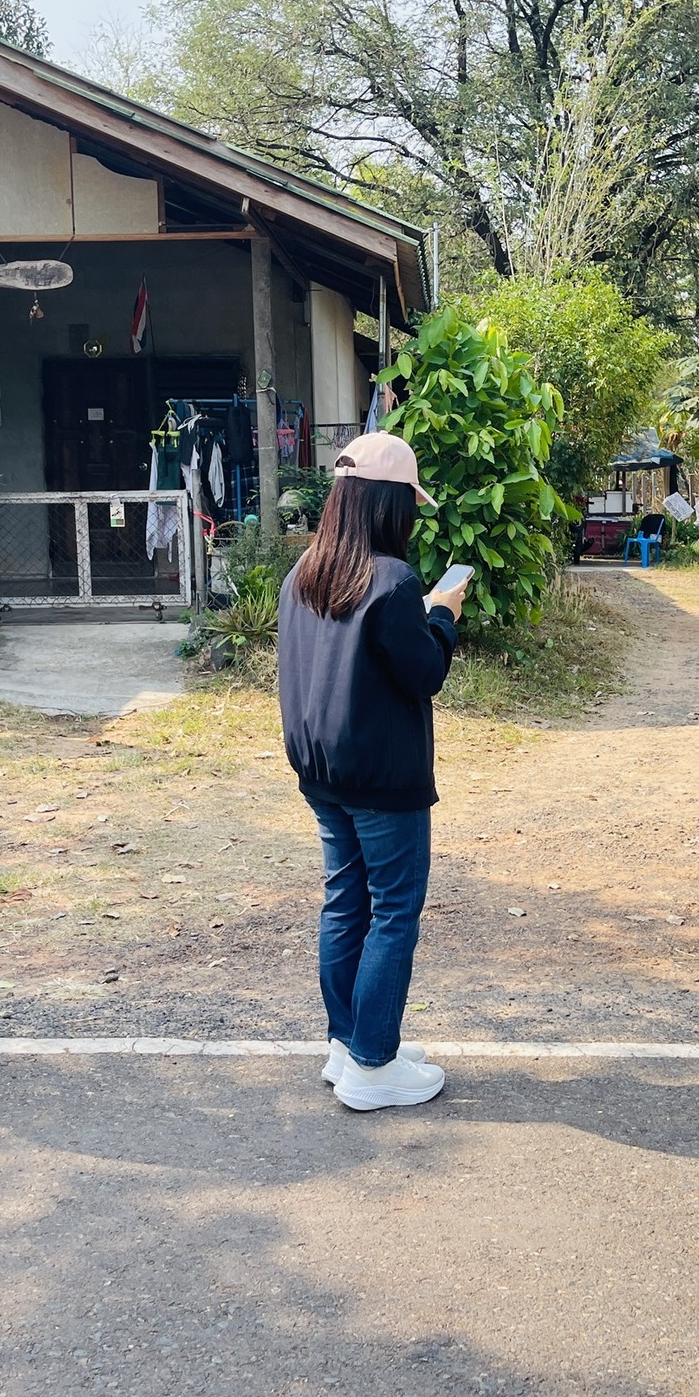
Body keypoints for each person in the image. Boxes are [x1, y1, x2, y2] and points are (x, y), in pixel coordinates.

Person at [278, 431, 464, 1111]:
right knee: (393, 911)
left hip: (323, 773)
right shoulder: (393, 580)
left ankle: (349, 1040)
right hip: (384, 780)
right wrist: (443, 617)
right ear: (391, 505)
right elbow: (424, 672)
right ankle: (373, 1064)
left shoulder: (303, 575)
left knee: (345, 900)